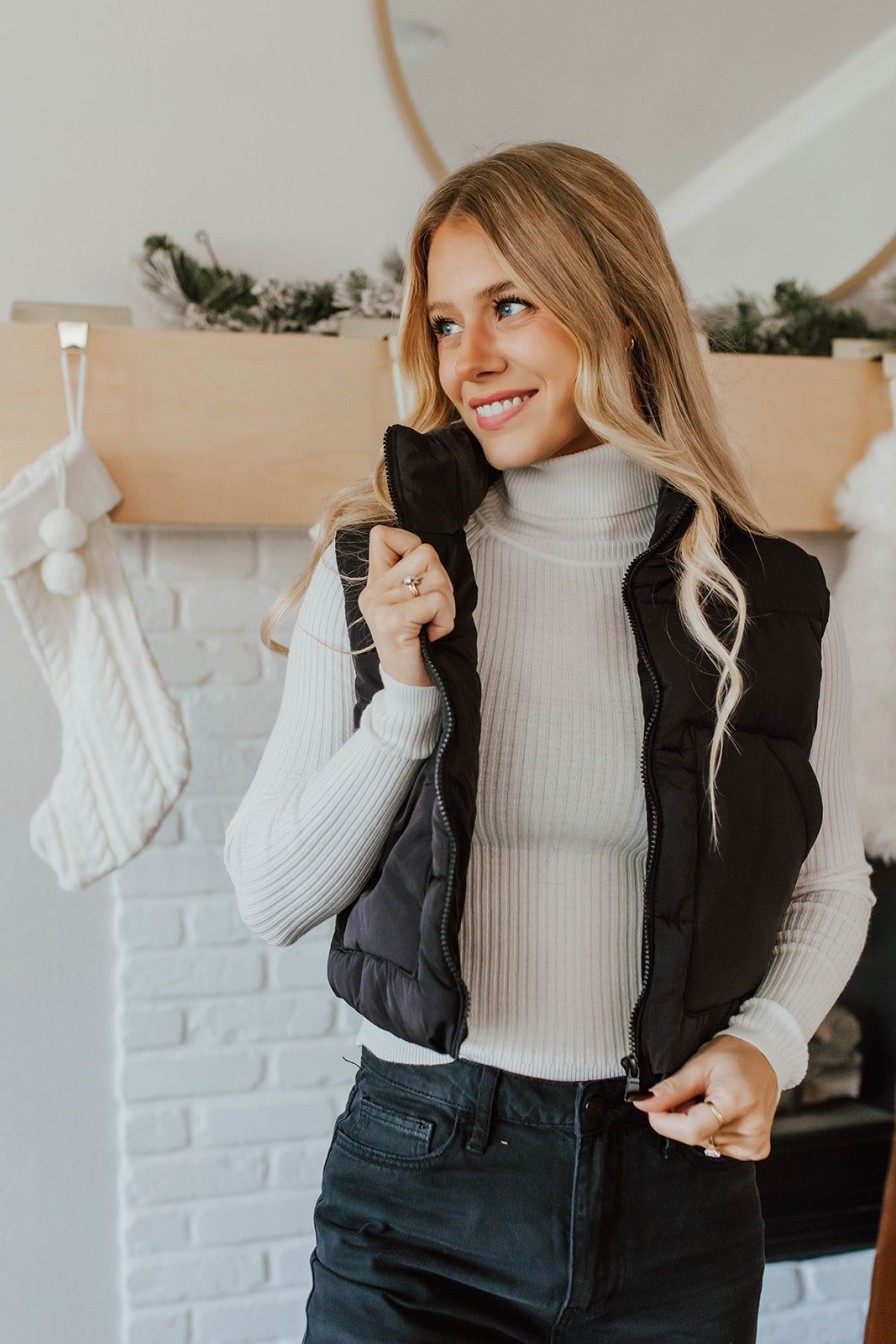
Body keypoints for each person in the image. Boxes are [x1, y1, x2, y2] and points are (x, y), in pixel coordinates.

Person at [224, 141, 875, 1343]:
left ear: (619, 309)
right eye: (440, 323)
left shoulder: (762, 597)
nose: (467, 361)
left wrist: (766, 1046)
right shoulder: (381, 570)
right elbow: (269, 892)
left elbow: (829, 886)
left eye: (509, 307)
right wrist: (405, 699)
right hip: (417, 1190)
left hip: (676, 1200)